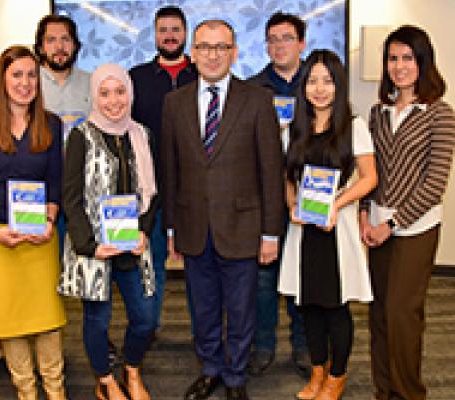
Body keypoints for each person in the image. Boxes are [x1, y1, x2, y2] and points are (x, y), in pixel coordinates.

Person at [161, 20, 285, 400]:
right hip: (194, 227)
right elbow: (170, 170)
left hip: (244, 227)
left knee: (242, 310)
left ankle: (235, 377)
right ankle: (211, 368)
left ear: (234, 52)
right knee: (203, 309)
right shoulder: (175, 102)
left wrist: (270, 233)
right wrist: (171, 230)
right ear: (192, 53)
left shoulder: (257, 99)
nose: (213, 55)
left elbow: (271, 170)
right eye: (205, 47)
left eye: (221, 47)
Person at [0, 46, 66, 400]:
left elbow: (56, 179)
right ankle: (26, 391)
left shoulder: (51, 124)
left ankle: (55, 390)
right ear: (2, 79)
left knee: (48, 317)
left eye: (31, 75)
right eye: (17, 75)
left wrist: (50, 219)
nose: (25, 83)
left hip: (40, 237)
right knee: (10, 321)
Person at [360, 25, 455, 400]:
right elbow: (369, 171)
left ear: (423, 62)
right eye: (393, 58)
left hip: (415, 228)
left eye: (407, 58)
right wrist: (367, 215)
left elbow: (434, 184)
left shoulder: (439, 113)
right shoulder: (378, 111)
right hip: (377, 224)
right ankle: (385, 390)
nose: (399, 66)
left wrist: (393, 223)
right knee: (380, 315)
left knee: (403, 315)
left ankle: (409, 393)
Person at [278, 49, 377, 400]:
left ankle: (337, 376)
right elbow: (289, 179)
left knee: (336, 307)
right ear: (304, 86)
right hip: (304, 231)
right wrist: (292, 207)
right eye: (313, 81)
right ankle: (317, 372)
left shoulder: (355, 127)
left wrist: (336, 204)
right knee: (308, 306)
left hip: (338, 229)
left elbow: (369, 179)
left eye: (328, 81)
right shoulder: (293, 130)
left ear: (339, 86)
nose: (320, 89)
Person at [59, 63, 158, 400]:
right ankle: (105, 381)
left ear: (129, 93)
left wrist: (144, 231)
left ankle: (131, 370)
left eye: (120, 92)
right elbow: (70, 198)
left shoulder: (141, 134)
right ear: (95, 96)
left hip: (132, 245)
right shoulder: (80, 136)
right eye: (105, 93)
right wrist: (89, 245)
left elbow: (151, 192)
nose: (113, 101)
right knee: (97, 321)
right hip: (95, 248)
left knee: (145, 318)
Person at [247, 11, 309, 377]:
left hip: (308, 197)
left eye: (286, 38)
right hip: (264, 197)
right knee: (263, 278)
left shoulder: (320, 84)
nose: (278, 45)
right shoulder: (253, 89)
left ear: (301, 43)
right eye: (272, 39)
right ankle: (263, 345)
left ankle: (303, 345)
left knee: (302, 274)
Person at [129, 5, 198, 333]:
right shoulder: (137, 78)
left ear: (185, 34)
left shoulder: (202, 75)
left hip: (196, 188)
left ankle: (207, 332)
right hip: (151, 188)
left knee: (202, 266)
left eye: (176, 30)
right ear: (154, 35)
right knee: (152, 261)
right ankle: (148, 329)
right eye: (163, 30)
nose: (169, 36)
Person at [34, 14, 91, 142]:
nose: (59, 46)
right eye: (51, 40)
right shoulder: (29, 84)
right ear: (40, 48)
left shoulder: (92, 83)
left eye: (65, 39)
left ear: (75, 45)